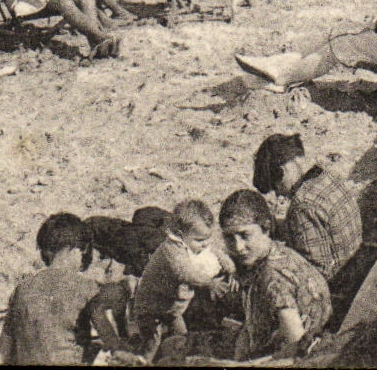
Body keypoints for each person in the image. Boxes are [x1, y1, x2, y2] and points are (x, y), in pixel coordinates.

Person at [219, 190, 332, 361]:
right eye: (229, 237)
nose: (238, 246)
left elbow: (295, 346)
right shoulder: (280, 253)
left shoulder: (273, 278)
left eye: (245, 235)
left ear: (265, 227)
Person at [0, 213, 121, 365]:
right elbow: (112, 343)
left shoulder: (22, 289)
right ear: (79, 249)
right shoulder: (86, 288)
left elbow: (1, 354)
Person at [251, 134, 363, 283]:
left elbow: (318, 272)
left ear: (282, 172)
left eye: (275, 187)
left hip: (338, 286)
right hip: (355, 264)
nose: (279, 195)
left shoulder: (302, 206)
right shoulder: (327, 174)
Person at [130, 200, 231, 359]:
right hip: (150, 308)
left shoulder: (193, 243)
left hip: (171, 309)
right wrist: (209, 283)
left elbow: (213, 250)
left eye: (207, 239)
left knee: (182, 338)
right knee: (151, 343)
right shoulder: (171, 249)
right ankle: (144, 361)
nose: (205, 244)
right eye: (199, 240)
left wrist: (226, 262)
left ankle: (171, 357)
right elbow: (185, 272)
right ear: (180, 234)